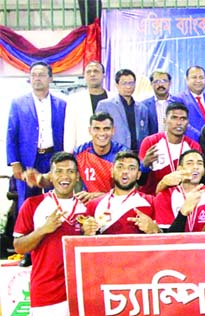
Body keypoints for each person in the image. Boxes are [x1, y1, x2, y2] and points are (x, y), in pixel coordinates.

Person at [12, 152, 89, 316]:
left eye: (71, 171)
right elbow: (18, 245)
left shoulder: (87, 208)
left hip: (80, 291)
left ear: (77, 177)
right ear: (51, 176)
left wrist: (91, 234)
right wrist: (44, 229)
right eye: (59, 171)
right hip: (47, 287)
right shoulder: (33, 205)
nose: (65, 176)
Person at [7, 61, 67, 212]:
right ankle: (25, 234)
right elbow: (11, 134)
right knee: (27, 203)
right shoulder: (18, 103)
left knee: (54, 201)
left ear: (50, 78)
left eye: (41, 75)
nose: (37, 78)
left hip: (52, 158)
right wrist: (14, 163)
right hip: (27, 160)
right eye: (33, 75)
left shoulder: (62, 104)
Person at [85, 151, 159, 234]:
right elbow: (83, 241)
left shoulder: (151, 202)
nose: (125, 171)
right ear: (112, 171)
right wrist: (86, 232)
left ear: (138, 175)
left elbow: (166, 239)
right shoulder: (94, 205)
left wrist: (155, 230)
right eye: (120, 167)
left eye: (131, 168)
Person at [138, 103, 201, 194]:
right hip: (152, 197)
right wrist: (145, 166)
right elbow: (139, 181)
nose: (179, 123)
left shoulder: (193, 146)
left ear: (188, 123)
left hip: (183, 198)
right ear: (165, 120)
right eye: (174, 118)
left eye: (183, 119)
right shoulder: (150, 142)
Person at [154, 150, 205, 232]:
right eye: (189, 163)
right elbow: (168, 238)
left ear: (204, 171)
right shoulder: (165, 196)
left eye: (200, 163)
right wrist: (183, 212)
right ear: (179, 169)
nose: (195, 167)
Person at [73, 112, 128, 203]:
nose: (101, 133)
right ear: (90, 130)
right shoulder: (79, 153)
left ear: (113, 130)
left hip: (115, 205)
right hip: (86, 206)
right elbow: (74, 183)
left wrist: (99, 197)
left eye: (106, 129)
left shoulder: (124, 155)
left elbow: (128, 192)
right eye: (97, 129)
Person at [95, 68, 153, 152]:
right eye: (124, 83)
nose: (128, 86)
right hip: (114, 153)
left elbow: (145, 133)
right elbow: (99, 131)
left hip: (137, 154)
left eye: (131, 83)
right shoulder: (105, 105)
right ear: (117, 85)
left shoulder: (142, 108)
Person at [63, 61, 111, 153]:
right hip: (84, 152)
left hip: (110, 153)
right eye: (88, 72)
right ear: (84, 76)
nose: (92, 74)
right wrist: (68, 154)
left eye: (96, 71)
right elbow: (70, 130)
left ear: (103, 75)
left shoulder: (113, 98)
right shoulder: (74, 100)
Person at [177, 65, 205, 142]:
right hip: (190, 144)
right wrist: (203, 139)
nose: (198, 81)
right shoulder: (179, 99)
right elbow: (181, 123)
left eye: (201, 77)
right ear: (187, 80)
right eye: (194, 77)